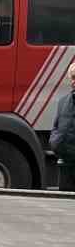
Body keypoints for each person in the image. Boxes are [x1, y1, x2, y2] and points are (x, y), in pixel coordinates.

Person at [51, 61, 75, 191]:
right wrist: (55, 143)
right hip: (66, 162)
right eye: (73, 77)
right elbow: (56, 127)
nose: (74, 81)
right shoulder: (63, 101)